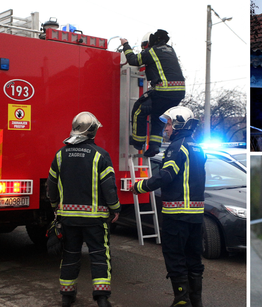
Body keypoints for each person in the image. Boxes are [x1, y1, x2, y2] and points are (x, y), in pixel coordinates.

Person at [130, 106, 206, 307]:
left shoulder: (177, 147)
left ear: (180, 124)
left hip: (177, 216)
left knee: (175, 257)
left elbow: (166, 175)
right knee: (193, 259)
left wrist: (141, 186)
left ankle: (182, 300)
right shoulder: (197, 147)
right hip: (196, 216)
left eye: (170, 124)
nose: (166, 129)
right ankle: (196, 301)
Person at [47, 112, 121, 307]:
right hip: (95, 220)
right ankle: (102, 298)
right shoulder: (101, 156)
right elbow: (109, 187)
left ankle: (67, 296)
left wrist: (55, 206)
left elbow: (51, 185)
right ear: (94, 131)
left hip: (68, 219)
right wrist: (116, 209)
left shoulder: (60, 155)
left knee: (70, 254)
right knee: (99, 255)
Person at [121, 29, 186, 157]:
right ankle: (155, 146)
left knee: (139, 109)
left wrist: (125, 45)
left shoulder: (151, 51)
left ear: (148, 43)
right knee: (158, 115)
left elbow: (133, 60)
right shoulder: (170, 50)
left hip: (163, 91)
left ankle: (138, 142)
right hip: (179, 93)